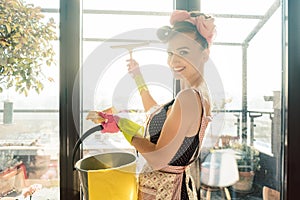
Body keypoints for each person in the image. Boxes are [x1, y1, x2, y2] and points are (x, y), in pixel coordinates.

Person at [87, 10, 216, 200]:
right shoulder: (198, 94)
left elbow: (158, 159)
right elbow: (157, 117)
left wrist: (123, 125)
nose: (174, 61)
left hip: (166, 194)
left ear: (204, 53)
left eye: (184, 52)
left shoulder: (188, 97)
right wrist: (137, 77)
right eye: (170, 53)